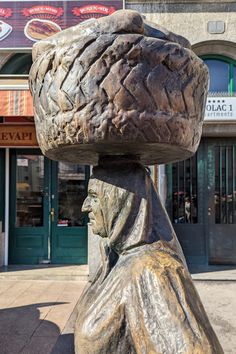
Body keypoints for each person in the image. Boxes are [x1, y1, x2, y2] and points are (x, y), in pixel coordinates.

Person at [74, 159, 223, 354]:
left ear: (121, 202)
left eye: (94, 196)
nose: (85, 206)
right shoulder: (115, 259)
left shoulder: (151, 270)